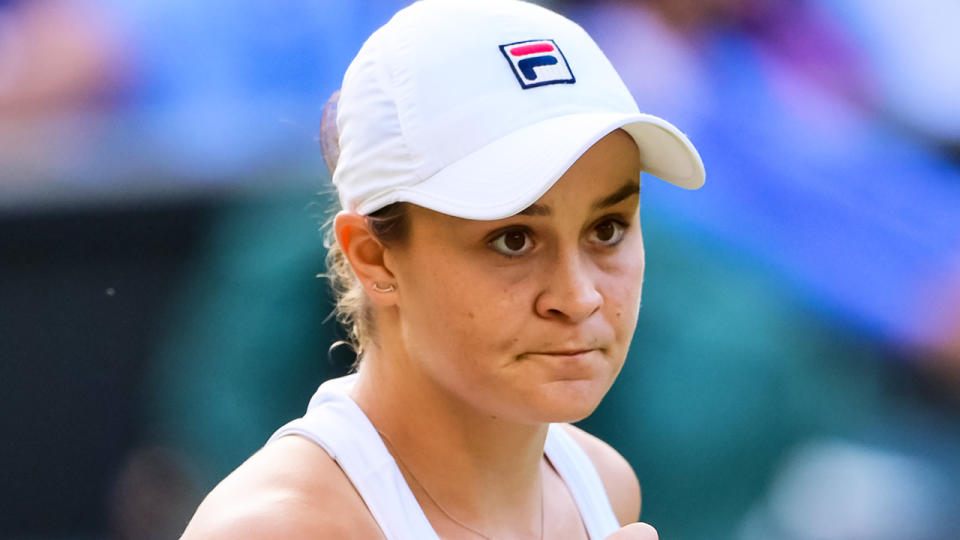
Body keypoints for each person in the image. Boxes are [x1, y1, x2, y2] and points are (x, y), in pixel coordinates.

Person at [180, 0, 704, 538]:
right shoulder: (276, 528)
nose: (579, 297)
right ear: (373, 256)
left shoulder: (604, 483)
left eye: (607, 229)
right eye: (514, 239)